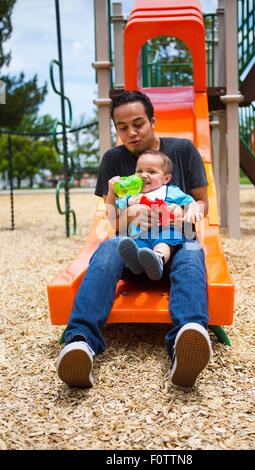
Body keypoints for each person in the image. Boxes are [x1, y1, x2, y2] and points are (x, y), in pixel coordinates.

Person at [56, 90, 213, 389]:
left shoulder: (182, 150)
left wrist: (184, 212)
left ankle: (187, 336)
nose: (131, 132)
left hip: (173, 248)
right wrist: (131, 214)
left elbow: (202, 205)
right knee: (109, 245)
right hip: (134, 251)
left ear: (153, 121)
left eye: (138, 123)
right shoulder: (113, 161)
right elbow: (112, 224)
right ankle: (80, 341)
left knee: (193, 248)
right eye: (123, 127)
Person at [106, 150, 203, 281]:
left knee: (165, 241)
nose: (143, 175)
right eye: (139, 171)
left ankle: (159, 258)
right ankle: (136, 262)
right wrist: (112, 192)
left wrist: (191, 209)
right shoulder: (131, 196)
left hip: (165, 230)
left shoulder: (170, 191)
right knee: (133, 244)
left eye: (151, 172)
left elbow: (191, 202)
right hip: (139, 234)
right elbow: (113, 213)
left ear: (166, 178)